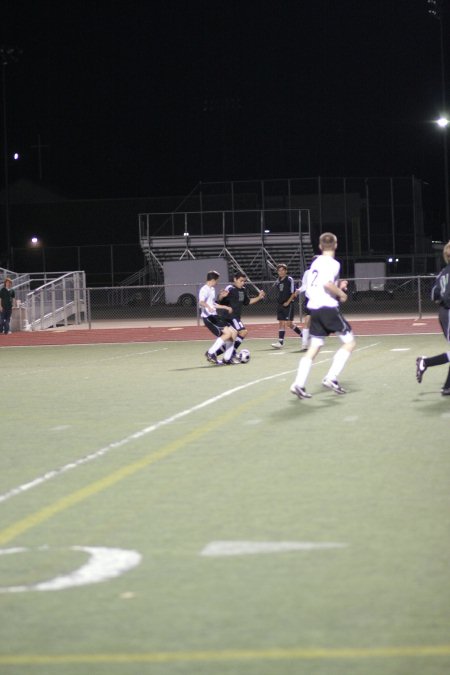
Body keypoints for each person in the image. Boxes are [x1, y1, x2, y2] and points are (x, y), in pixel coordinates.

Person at [290, 232, 355, 399]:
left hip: (314, 308)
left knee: (315, 346)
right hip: (327, 307)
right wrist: (341, 293)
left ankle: (298, 383)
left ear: (320, 246)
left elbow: (319, 284)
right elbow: (327, 284)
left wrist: (335, 286)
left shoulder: (316, 263)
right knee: (349, 343)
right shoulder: (333, 263)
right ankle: (331, 378)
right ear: (335, 245)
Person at [416, 240, 450, 396]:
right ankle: (426, 362)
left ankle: (447, 386)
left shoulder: (443, 272)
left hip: (444, 313)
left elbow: (434, 295)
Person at [217, 272, 266, 364]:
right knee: (243, 332)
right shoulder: (230, 288)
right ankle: (231, 354)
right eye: (241, 281)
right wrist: (221, 296)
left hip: (236, 317)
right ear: (235, 279)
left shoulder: (243, 290)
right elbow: (220, 300)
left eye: (244, 281)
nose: (243, 283)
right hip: (229, 317)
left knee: (230, 340)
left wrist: (259, 297)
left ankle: (215, 354)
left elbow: (247, 302)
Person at [198, 270, 237, 365]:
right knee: (227, 334)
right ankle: (210, 353)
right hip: (209, 318)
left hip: (215, 316)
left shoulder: (212, 289)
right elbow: (201, 302)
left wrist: (225, 307)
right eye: (216, 280)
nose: (217, 282)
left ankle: (227, 358)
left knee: (234, 333)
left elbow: (213, 304)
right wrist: (208, 307)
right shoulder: (204, 289)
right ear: (212, 280)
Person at [271, 263, 302, 349]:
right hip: (280, 304)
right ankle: (280, 342)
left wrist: (288, 302)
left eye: (282, 270)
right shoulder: (278, 280)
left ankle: (303, 336)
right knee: (281, 322)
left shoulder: (289, 279)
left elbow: (293, 292)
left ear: (286, 271)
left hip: (288, 304)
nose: (280, 272)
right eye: (279, 270)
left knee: (289, 324)